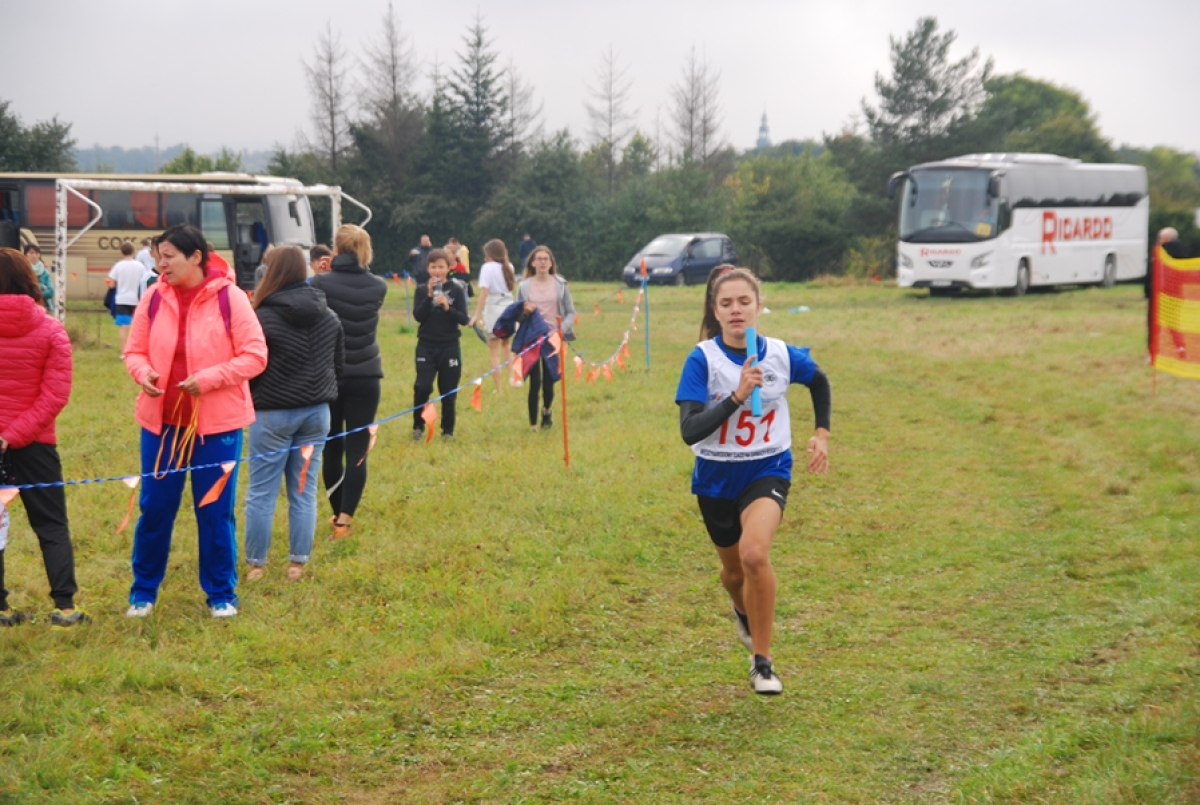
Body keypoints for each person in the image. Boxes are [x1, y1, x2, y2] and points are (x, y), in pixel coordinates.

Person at [675, 266, 831, 695]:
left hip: (767, 468)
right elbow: (689, 430)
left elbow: (819, 380)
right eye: (726, 303)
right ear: (715, 311)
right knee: (732, 574)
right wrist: (737, 396)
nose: (736, 310)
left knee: (755, 554)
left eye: (744, 301)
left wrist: (821, 434)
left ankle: (762, 663)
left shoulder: (780, 354)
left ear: (759, 306)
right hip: (715, 478)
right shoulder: (702, 360)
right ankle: (742, 612)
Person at [123, 225, 268, 619]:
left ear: (196, 257)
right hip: (162, 426)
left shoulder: (230, 298)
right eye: (158, 256)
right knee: (155, 508)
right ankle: (143, 593)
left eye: (169, 256)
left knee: (215, 510)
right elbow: (134, 351)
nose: (161, 264)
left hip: (216, 427)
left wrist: (209, 379)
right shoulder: (153, 297)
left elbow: (255, 355)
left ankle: (221, 594)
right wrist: (144, 374)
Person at [244, 246, 344, 582]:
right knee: (303, 491)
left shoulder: (259, 317)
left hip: (272, 413)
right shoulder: (329, 316)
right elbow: (339, 366)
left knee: (262, 491)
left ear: (271, 273)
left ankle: (257, 564)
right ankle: (297, 564)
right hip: (316, 413)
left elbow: (251, 367)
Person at [0, 248, 86, 627]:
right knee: (51, 524)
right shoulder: (52, 329)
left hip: (14, 440)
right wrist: (14, 435)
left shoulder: (51, 330)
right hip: (35, 443)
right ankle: (65, 607)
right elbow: (55, 395)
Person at [311, 224, 388, 540]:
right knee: (358, 449)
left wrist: (321, 273)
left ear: (336, 250)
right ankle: (345, 519)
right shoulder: (379, 286)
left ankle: (336, 512)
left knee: (332, 446)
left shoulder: (320, 282)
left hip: (331, 374)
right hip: (367, 374)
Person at [515, 246, 577, 431]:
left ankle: (547, 411)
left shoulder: (560, 284)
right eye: (539, 259)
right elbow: (517, 314)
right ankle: (533, 425)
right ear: (532, 263)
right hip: (532, 338)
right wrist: (525, 313)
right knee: (535, 382)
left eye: (546, 259)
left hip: (552, 338)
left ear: (551, 263)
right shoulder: (524, 286)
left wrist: (562, 329)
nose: (542, 262)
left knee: (549, 382)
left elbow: (570, 312)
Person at [412, 248, 470, 442]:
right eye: (433, 267)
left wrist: (447, 307)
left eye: (441, 267)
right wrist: (429, 296)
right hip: (426, 346)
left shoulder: (456, 290)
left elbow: (463, 319)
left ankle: (447, 431)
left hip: (449, 346)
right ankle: (418, 426)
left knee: (448, 391)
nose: (437, 271)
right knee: (423, 387)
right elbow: (418, 316)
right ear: (428, 268)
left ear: (448, 268)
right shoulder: (421, 289)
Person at [468, 239, 517, 393]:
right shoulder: (509, 266)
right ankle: (512, 378)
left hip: (494, 307)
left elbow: (484, 292)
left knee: (494, 351)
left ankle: (499, 388)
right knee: (507, 345)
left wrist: (476, 314)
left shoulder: (487, 267)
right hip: (508, 307)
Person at [107, 241, 148, 359]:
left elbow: (112, 284)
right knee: (137, 327)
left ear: (121, 252)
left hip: (122, 300)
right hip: (137, 300)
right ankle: (136, 351)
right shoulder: (140, 266)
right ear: (134, 252)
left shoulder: (118, 265)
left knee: (123, 327)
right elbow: (144, 281)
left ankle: (123, 353)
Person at [23, 244, 54, 313]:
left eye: (37, 253)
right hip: (26, 307)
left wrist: (36, 294)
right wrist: (42, 287)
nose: (34, 256)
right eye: (31, 253)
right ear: (25, 255)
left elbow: (51, 291)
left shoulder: (45, 272)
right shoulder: (22, 270)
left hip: (44, 306)